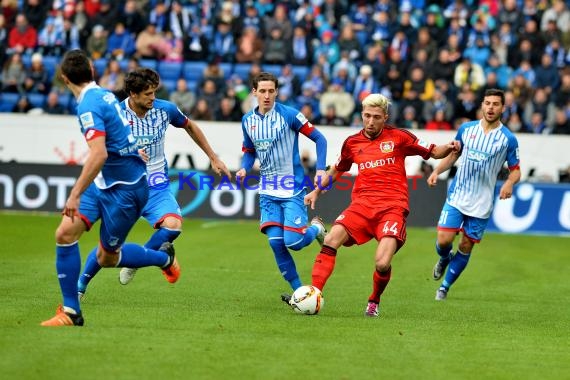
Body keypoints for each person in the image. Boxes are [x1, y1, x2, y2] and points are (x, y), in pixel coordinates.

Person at [41, 50, 179, 327]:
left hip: (126, 190)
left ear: (64, 78)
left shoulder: (89, 105)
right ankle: (71, 311)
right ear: (92, 69)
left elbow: (99, 154)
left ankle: (162, 258)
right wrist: (130, 151)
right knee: (65, 233)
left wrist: (74, 193)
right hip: (104, 182)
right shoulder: (103, 95)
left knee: (107, 257)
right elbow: (119, 136)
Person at [298, 93, 460, 317]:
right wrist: (317, 190)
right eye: (366, 116)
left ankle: (373, 301)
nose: (370, 121)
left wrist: (450, 146)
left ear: (385, 117)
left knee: (382, 263)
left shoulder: (400, 137)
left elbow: (433, 151)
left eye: (376, 117)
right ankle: (314, 293)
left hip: (392, 207)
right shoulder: (352, 143)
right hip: (362, 205)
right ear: (361, 115)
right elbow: (337, 169)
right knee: (331, 240)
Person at [77, 67, 231, 293]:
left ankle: (136, 261)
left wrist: (213, 156)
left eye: (154, 92)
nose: (153, 98)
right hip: (125, 188)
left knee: (174, 225)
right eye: (148, 94)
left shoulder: (165, 110)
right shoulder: (115, 115)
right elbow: (100, 151)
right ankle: (80, 287)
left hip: (156, 185)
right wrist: (128, 153)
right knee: (108, 247)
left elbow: (189, 125)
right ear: (133, 93)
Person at [236, 72, 328, 294]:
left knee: (294, 243)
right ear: (254, 92)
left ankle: (316, 229)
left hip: (291, 188)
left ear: (276, 91)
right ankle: (299, 293)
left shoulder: (290, 115)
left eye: (271, 91)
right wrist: (244, 167)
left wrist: (320, 169)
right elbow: (249, 151)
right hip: (267, 190)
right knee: (276, 243)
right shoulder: (248, 120)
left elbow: (320, 139)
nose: (267, 96)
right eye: (262, 91)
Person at [428, 88, 521, 301]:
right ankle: (443, 259)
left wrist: (509, 183)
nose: (490, 107)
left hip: (482, 203)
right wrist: (436, 171)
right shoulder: (466, 129)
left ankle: (444, 287)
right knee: (444, 240)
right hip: (458, 195)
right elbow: (453, 155)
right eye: (487, 103)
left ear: (502, 108)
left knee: (465, 246)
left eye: (495, 104)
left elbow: (516, 170)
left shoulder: (508, 139)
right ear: (482, 105)